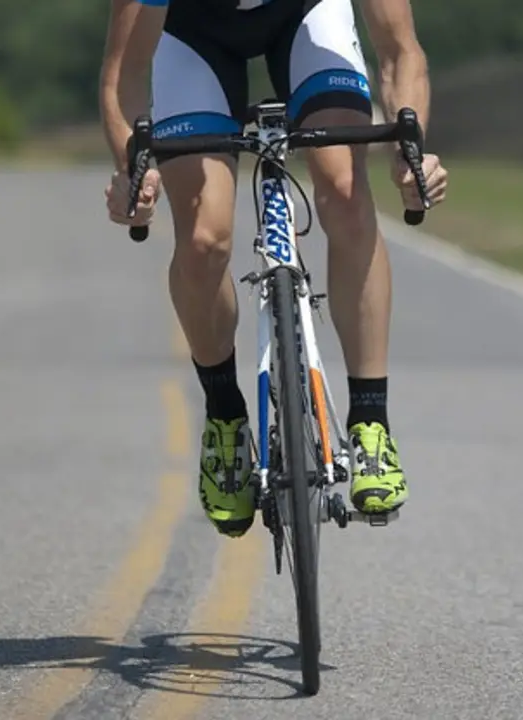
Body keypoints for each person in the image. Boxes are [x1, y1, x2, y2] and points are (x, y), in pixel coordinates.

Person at [99, 0, 448, 538]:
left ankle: (371, 423)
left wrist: (411, 153)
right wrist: (133, 173)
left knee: (347, 195)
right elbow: (125, 75)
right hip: (194, 35)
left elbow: (400, 50)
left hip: (306, 14)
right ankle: (224, 418)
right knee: (203, 236)